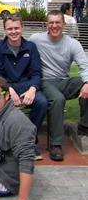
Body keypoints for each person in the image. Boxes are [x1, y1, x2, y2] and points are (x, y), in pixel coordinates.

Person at [29, 11, 88, 161]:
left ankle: (84, 125)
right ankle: (56, 144)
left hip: (65, 81)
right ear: (46, 24)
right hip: (46, 81)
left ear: (64, 24)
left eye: (58, 22)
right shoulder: (36, 39)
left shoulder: (72, 43)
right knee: (57, 99)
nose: (54, 26)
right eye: (51, 23)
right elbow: (22, 48)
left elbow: (84, 66)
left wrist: (86, 83)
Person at [0, 14, 47, 160]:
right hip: (6, 86)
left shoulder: (30, 47)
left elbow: (36, 72)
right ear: (4, 29)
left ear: (22, 28)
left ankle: (29, 141)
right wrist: (8, 90)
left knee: (41, 102)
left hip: (26, 85)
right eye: (10, 29)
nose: (14, 32)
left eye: (17, 28)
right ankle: (3, 142)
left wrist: (33, 89)